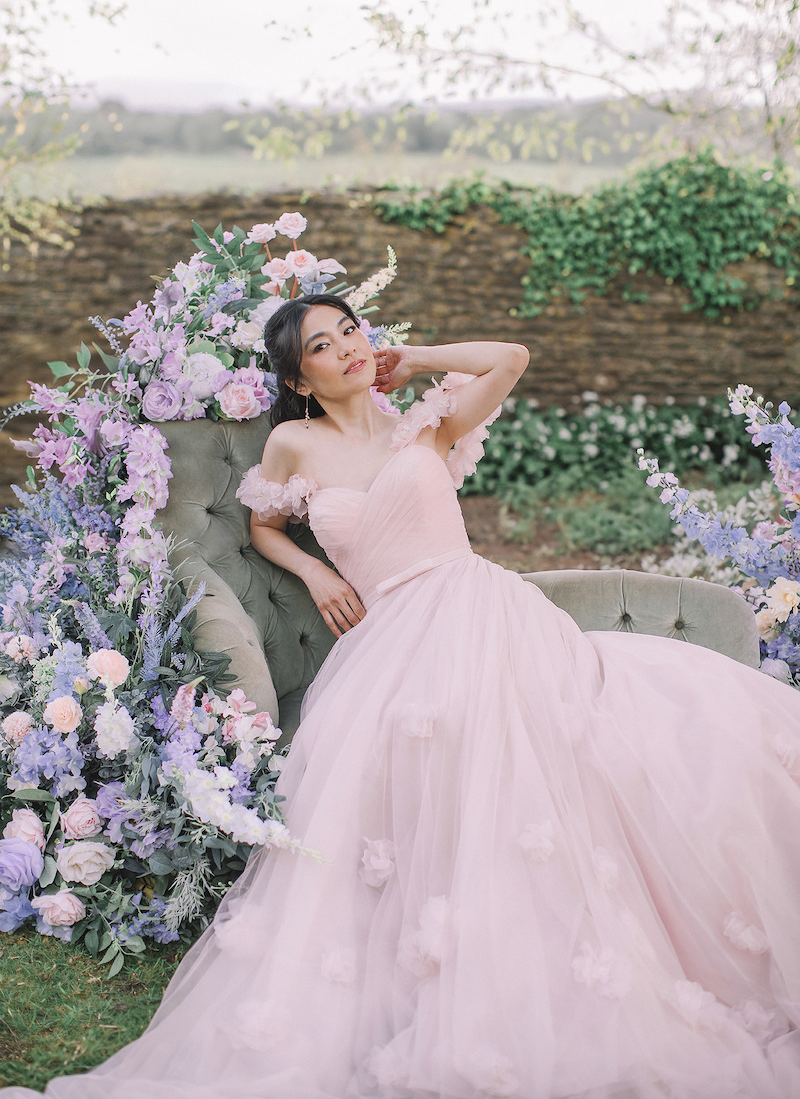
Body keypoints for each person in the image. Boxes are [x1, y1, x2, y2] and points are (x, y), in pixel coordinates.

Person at [4, 293, 800, 1099]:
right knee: (437, 744)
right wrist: (316, 570)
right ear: (299, 377)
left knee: (562, 737)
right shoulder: (292, 440)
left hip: (487, 609)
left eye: (351, 330)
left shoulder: (424, 423)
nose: (348, 346)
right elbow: (261, 529)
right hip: (392, 635)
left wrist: (412, 362)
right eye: (324, 344)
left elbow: (511, 357)